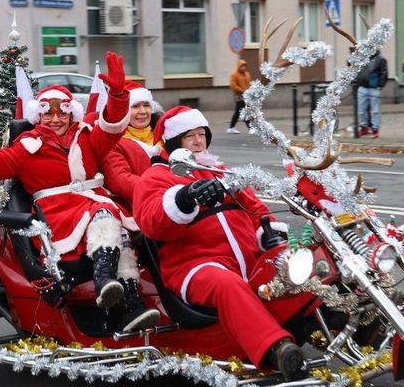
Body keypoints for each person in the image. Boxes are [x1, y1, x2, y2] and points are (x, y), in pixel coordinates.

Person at [0, 52, 159, 332]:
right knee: (105, 214)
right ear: (38, 114)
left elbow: (113, 127)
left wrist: (117, 94)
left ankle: (130, 304)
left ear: (71, 112)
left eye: (62, 111)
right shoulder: (28, 145)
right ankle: (105, 280)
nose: (55, 118)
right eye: (48, 112)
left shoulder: (88, 136)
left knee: (123, 232)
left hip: (92, 203)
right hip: (59, 211)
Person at [132, 106, 305, 379]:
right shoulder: (156, 177)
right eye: (190, 136)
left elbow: (257, 208)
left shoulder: (222, 171)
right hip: (194, 267)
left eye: (202, 134)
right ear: (175, 141)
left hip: (248, 258)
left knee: (298, 264)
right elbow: (152, 221)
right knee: (228, 284)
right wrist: (185, 197)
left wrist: (269, 232)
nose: (199, 141)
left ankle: (337, 318)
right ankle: (276, 349)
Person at [101, 82, 161, 211]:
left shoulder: (165, 134)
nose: (143, 111)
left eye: (146, 105)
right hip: (141, 206)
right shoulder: (113, 141)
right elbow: (120, 181)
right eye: (135, 106)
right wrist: (161, 189)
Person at [355, 49, 388, 139]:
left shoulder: (380, 59)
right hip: (362, 87)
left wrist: (380, 85)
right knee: (361, 111)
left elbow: (384, 72)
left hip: (374, 87)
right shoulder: (361, 57)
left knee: (375, 111)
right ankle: (364, 127)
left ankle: (375, 129)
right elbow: (355, 69)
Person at [227, 59, 251, 134]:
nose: (243, 67)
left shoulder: (247, 74)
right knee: (243, 111)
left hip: (246, 95)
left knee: (239, 112)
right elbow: (233, 86)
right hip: (239, 96)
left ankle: (231, 127)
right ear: (239, 66)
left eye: (244, 66)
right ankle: (250, 128)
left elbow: (248, 84)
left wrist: (250, 91)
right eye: (242, 66)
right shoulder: (234, 75)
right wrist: (242, 90)